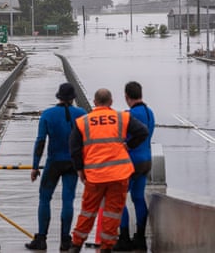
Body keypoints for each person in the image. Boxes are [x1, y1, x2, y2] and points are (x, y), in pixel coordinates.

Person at [68, 88, 148, 253]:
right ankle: (106, 247)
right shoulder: (122, 117)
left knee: (88, 211)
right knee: (113, 213)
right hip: (119, 175)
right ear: (111, 102)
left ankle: (76, 245)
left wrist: (80, 170)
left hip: (95, 175)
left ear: (95, 103)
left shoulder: (83, 121)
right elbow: (143, 132)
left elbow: (74, 148)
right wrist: (128, 145)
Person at [25, 83, 87, 251]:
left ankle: (42, 239)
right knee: (68, 200)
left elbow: (40, 141)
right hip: (73, 163)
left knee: (45, 198)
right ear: (73, 97)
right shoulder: (82, 114)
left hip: (54, 162)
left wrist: (35, 166)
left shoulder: (48, 114)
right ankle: (65, 240)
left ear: (58, 97)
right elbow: (86, 142)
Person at [113, 81, 155, 252]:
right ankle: (140, 237)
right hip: (146, 159)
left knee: (118, 198)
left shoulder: (128, 115)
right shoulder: (149, 112)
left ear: (126, 96)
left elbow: (118, 136)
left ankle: (123, 238)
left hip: (131, 161)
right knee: (138, 198)